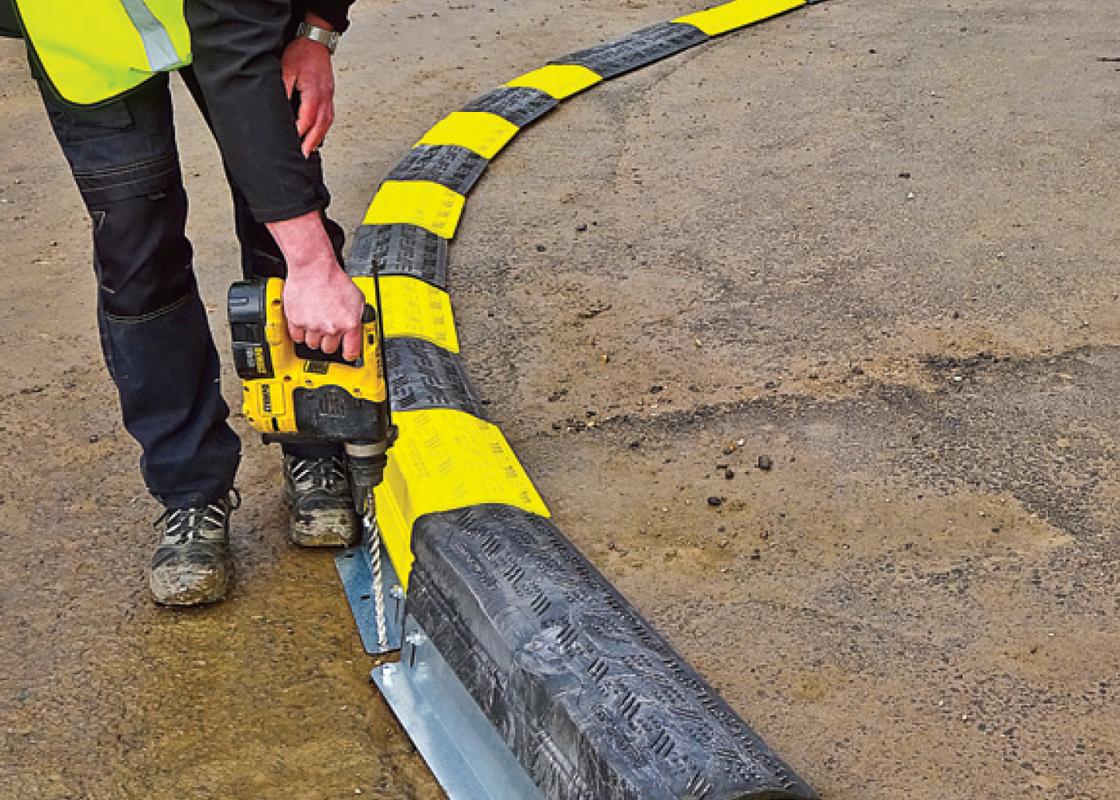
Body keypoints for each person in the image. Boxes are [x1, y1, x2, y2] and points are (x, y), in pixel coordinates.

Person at [0, 0, 367, 606]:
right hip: (83, 37)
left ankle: (316, 438)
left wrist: (316, 29)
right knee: (134, 253)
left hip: (244, 19)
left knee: (281, 202)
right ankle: (190, 492)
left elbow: (239, 57)